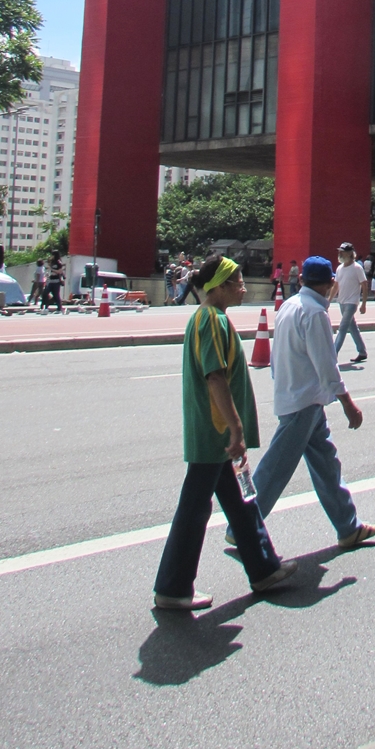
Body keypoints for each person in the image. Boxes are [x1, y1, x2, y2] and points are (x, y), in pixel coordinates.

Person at [153, 255, 297, 610]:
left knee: (241, 501)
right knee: (194, 510)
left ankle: (263, 567)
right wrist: (235, 428)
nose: (243, 288)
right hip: (214, 434)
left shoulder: (211, 318)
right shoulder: (211, 321)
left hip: (217, 435)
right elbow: (215, 377)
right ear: (218, 286)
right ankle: (172, 587)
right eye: (237, 282)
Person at [240, 256, 375, 552]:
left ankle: (348, 526)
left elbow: (277, 357)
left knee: (327, 465)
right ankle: (242, 528)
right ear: (331, 283)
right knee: (274, 469)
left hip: (297, 396)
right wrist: (347, 403)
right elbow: (326, 365)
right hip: (303, 401)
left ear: (301, 280)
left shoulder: (289, 306)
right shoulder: (315, 313)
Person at [331, 242, 368, 363]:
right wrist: (329, 300)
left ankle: (333, 354)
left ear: (350, 253)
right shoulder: (339, 268)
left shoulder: (357, 268)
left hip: (352, 302)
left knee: (342, 328)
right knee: (352, 327)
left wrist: (363, 304)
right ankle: (362, 351)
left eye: (343, 251)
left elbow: (364, 284)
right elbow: (336, 286)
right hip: (342, 301)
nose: (340, 253)